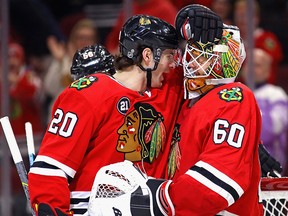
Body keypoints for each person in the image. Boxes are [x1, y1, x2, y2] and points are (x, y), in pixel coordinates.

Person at [28, 6, 224, 215]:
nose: (173, 64)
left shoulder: (169, 89)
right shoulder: (89, 92)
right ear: (148, 56)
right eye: (169, 55)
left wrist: (202, 32)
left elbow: (214, 79)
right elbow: (50, 168)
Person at [89, 20, 264, 216]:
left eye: (201, 54)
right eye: (191, 51)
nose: (190, 58)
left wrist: (153, 200)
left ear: (223, 61)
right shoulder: (184, 101)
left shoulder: (233, 97)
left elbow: (217, 186)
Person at [242, 48, 288, 175]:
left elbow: (268, 131)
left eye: (257, 65)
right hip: (242, 170)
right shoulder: (236, 93)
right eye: (248, 64)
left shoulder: (276, 95)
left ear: (268, 71)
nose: (251, 69)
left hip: (269, 171)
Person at [43, 18, 98, 123]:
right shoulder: (63, 59)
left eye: (88, 38)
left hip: (86, 119)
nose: (84, 42)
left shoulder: (100, 65)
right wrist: (61, 61)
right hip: (60, 119)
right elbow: (49, 88)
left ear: (95, 41)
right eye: (80, 37)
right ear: (73, 39)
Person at [233, 0, 283, 84]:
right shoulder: (231, 39)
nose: (244, 20)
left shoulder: (267, 39)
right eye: (240, 16)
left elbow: (267, 68)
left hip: (262, 90)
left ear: (256, 18)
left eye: (247, 16)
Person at [105, 0, 178, 55]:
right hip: (126, 58)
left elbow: (170, 42)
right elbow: (113, 39)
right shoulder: (128, 8)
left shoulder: (164, 8)